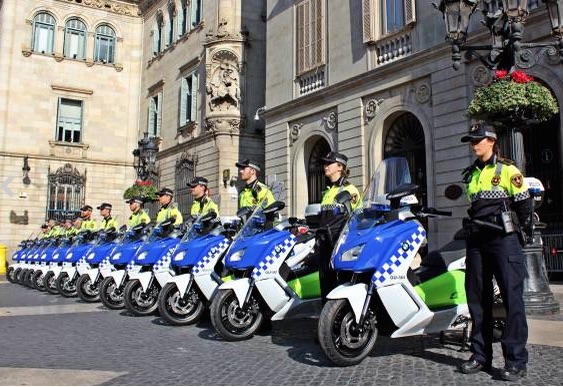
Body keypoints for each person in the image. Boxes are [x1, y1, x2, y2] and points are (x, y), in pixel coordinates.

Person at [459, 123, 532, 381]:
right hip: (478, 241)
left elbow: (524, 204)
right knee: (478, 301)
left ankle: (515, 361)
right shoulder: (470, 175)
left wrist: (522, 234)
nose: (474, 144)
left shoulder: (507, 170)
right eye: (471, 140)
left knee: (512, 302)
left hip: (503, 240)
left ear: (491, 141)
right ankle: (481, 355)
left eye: (478, 139)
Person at [316, 151, 361, 304]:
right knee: (326, 287)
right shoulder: (328, 191)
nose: (325, 166)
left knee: (341, 286)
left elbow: (355, 220)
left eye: (329, 163)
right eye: (325, 163)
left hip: (338, 245)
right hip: (324, 245)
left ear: (340, 167)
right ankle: (326, 322)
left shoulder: (350, 190)